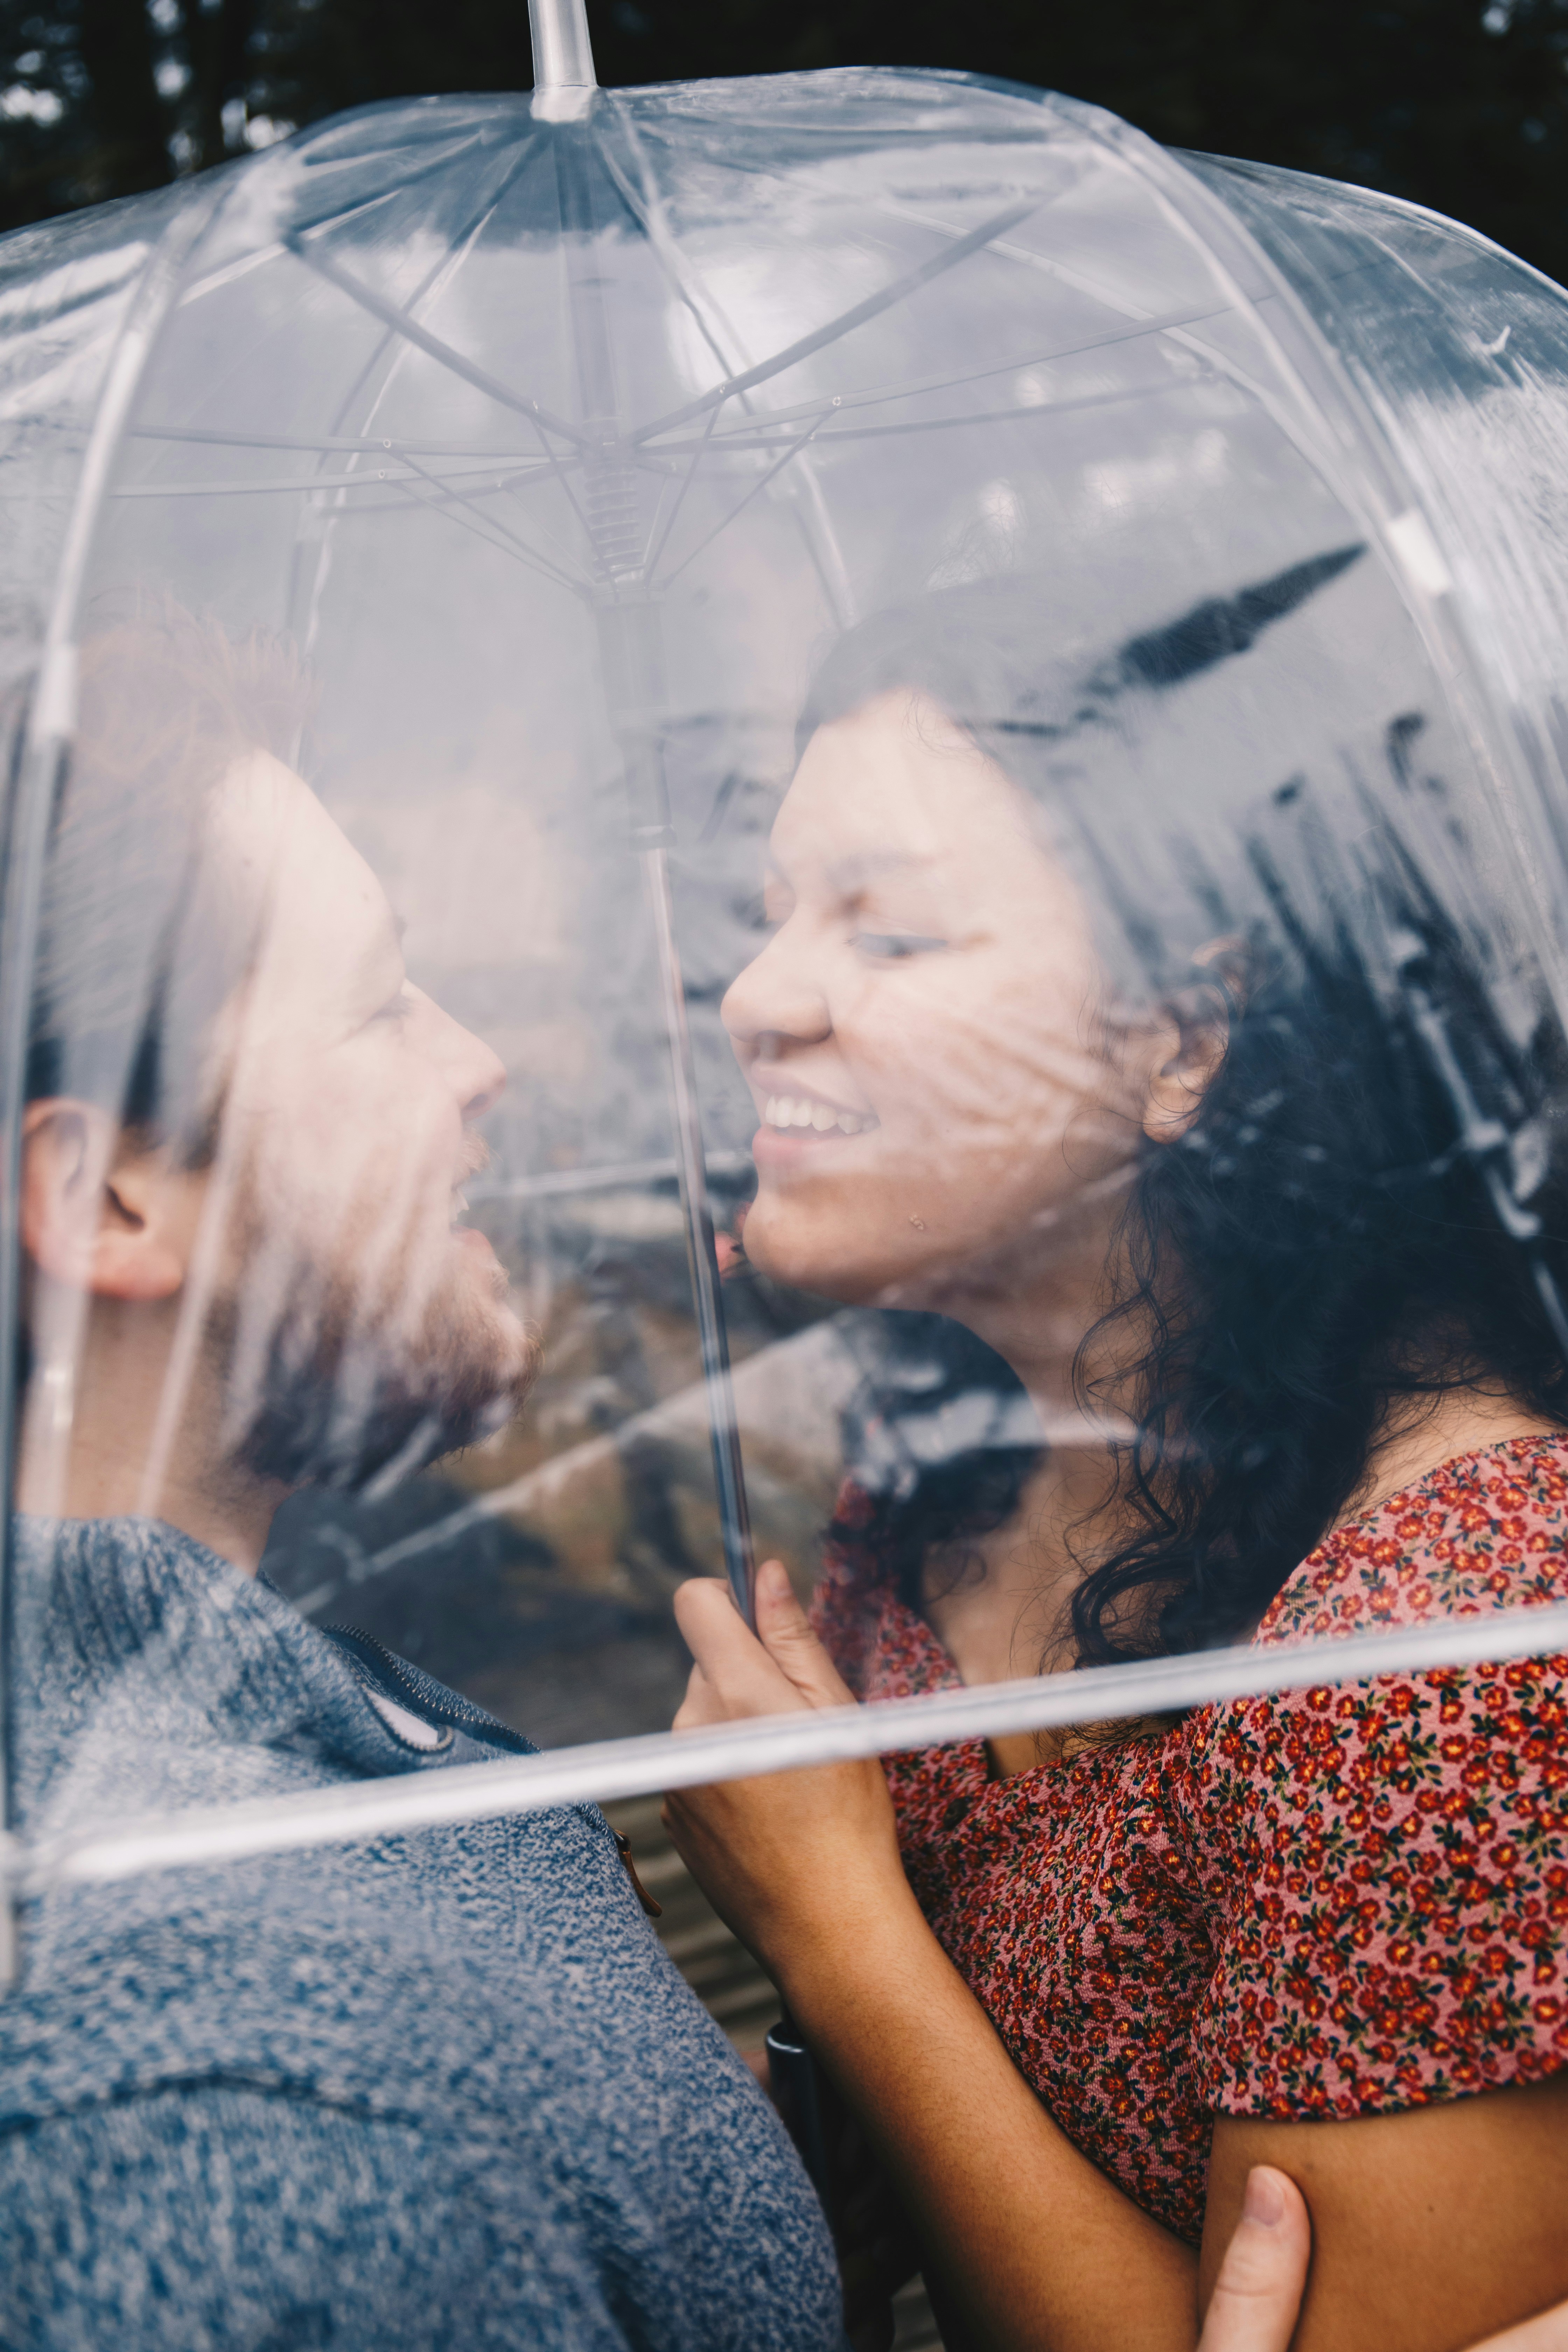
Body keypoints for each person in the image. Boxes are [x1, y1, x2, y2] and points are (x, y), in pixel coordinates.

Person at [662, 558, 1568, 2350]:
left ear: (1179, 1037)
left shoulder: (1445, 1644)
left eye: (887, 932)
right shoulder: (935, 1482)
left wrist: (840, 1934)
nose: (756, 995)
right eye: (768, 915)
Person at [0, 607, 843, 2351]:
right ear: (105, 1205)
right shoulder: (219, 2133)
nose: (480, 1059)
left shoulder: (261, 1725)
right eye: (380, 1005)